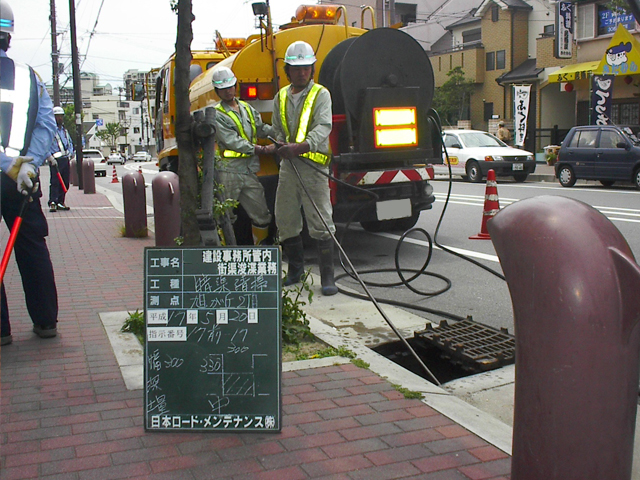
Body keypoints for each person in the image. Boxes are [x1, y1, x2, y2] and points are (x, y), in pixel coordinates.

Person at [0, 0, 59, 346]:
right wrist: (28, 164)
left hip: (11, 171)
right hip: (20, 180)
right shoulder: (30, 77)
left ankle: (2, 330)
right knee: (32, 246)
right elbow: (46, 125)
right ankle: (45, 321)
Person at [271, 41, 338, 296]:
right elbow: (277, 128)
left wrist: (301, 147)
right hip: (289, 169)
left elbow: (324, 126)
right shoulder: (281, 97)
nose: (302, 73)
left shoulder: (321, 94)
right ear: (288, 70)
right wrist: (278, 145)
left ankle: (328, 278)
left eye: (306, 68)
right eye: (297, 68)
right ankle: (295, 271)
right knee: (286, 219)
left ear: (312, 69)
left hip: (313, 168)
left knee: (321, 221)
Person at [212, 66, 276, 245]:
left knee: (261, 213)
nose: (228, 91)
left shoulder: (246, 108)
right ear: (217, 91)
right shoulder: (218, 114)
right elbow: (232, 141)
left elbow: (261, 128)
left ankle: (260, 251)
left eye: (230, 86)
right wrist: (262, 150)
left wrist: (279, 134)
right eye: (223, 89)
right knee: (225, 215)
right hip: (229, 171)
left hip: (248, 170)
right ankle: (225, 253)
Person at [48, 106, 74, 211]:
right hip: (55, 160)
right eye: (57, 116)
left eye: (61, 116)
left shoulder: (64, 130)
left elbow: (70, 142)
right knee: (55, 182)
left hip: (65, 159)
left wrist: (71, 152)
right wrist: (50, 157)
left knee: (65, 182)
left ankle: (60, 201)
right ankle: (53, 202)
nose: (59, 118)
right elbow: (46, 145)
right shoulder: (50, 130)